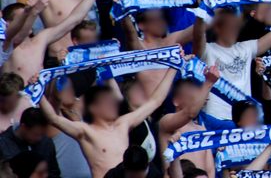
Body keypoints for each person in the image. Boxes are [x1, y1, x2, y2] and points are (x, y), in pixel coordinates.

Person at [39, 68, 178, 178]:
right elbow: (53, 118)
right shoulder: (86, 131)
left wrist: (173, 67)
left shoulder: (123, 124)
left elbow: (155, 101)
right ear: (94, 108)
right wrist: (37, 90)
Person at [0, 108, 60, 177]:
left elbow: (53, 172)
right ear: (23, 127)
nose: (40, 138)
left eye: (43, 134)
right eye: (36, 134)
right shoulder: (2, 145)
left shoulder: (46, 142)